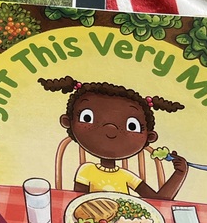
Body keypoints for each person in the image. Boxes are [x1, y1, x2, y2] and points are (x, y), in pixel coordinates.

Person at [39, 76, 189, 200]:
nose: (110, 130)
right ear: (67, 122)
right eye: (87, 117)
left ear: (149, 137)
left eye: (132, 126)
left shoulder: (126, 176)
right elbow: (77, 202)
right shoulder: (86, 170)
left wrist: (179, 173)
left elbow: (158, 201)